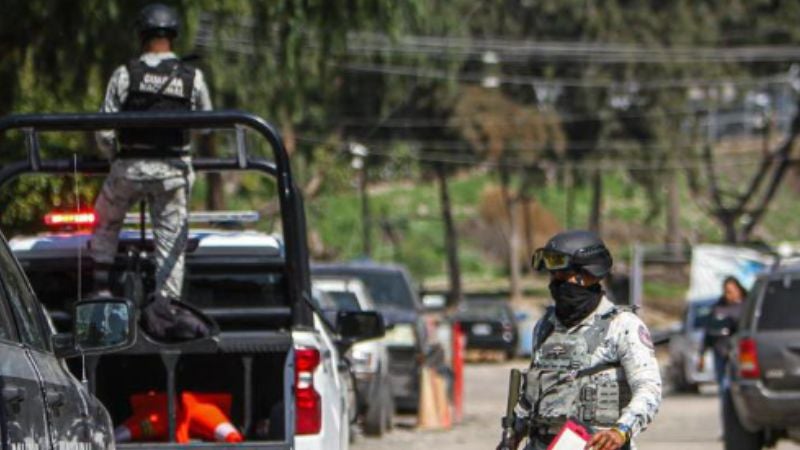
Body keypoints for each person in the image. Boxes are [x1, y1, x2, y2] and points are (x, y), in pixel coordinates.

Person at [91, 3, 212, 341]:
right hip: (172, 173)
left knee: (105, 219)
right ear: (173, 36)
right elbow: (206, 126)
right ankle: (167, 306)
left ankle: (101, 288)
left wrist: (114, 156)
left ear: (141, 36)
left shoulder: (125, 74)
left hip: (129, 169)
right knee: (172, 238)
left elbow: (103, 130)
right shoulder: (193, 77)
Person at [500, 230, 662, 450]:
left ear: (588, 275)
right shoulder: (546, 325)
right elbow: (533, 394)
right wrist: (515, 432)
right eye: (552, 278)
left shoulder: (623, 325)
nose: (556, 285)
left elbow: (648, 388)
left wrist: (621, 430)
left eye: (562, 276)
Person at [697, 276, 746, 387]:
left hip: (739, 351)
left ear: (738, 290)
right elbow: (708, 332)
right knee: (723, 384)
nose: (729, 295)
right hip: (720, 350)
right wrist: (701, 355)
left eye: (731, 291)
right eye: (726, 292)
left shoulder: (747, 306)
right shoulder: (718, 308)